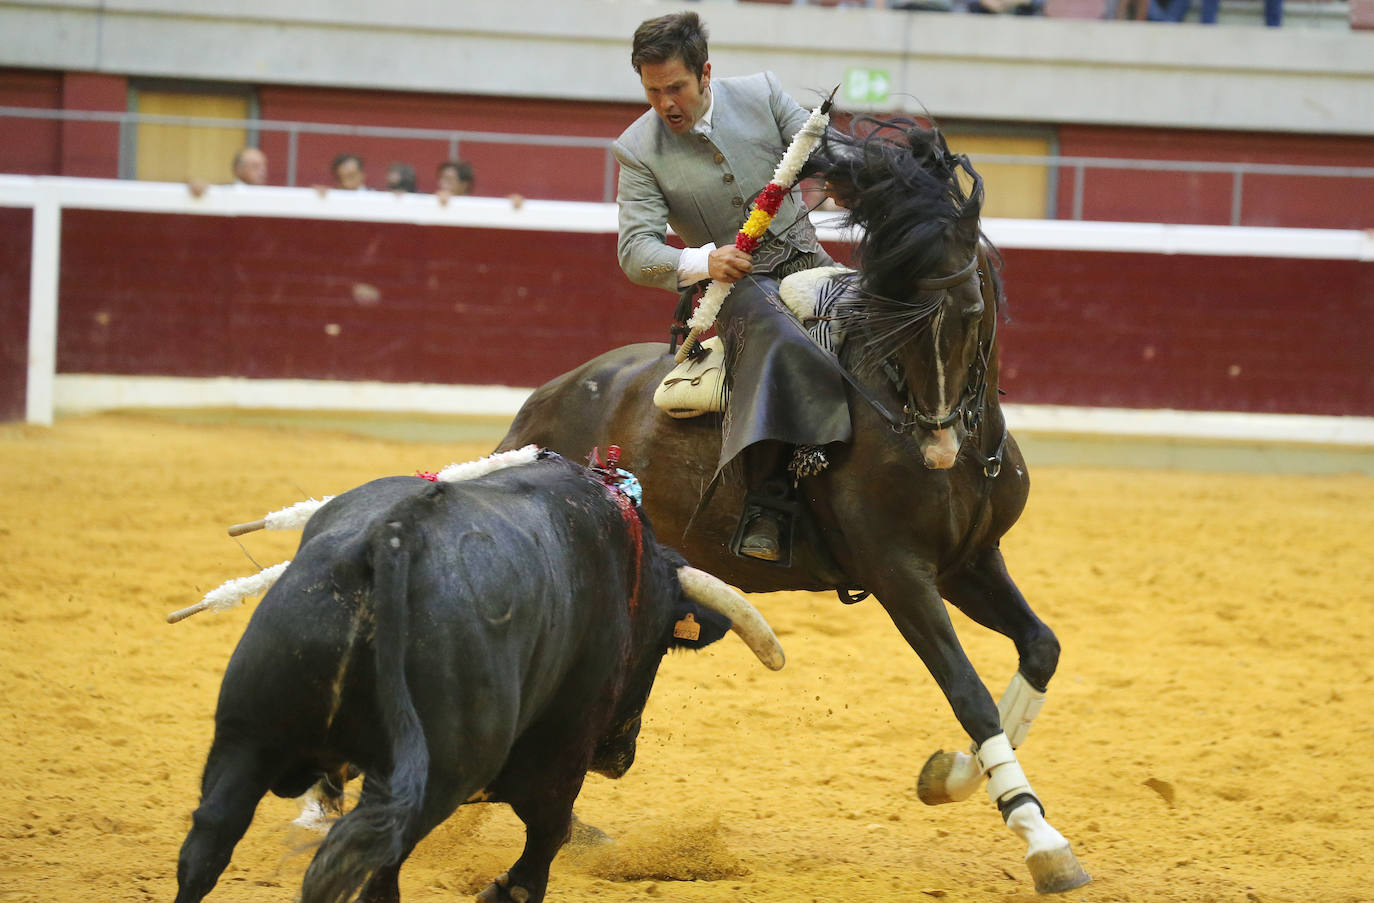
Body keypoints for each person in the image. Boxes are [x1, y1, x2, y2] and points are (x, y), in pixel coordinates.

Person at [614, 11, 850, 562]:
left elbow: (824, 149)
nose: (667, 103)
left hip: (811, 260)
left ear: (705, 75)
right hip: (741, 287)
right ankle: (768, 502)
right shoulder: (637, 149)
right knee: (778, 339)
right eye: (653, 91)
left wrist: (849, 178)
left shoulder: (762, 93)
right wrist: (703, 260)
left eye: (676, 88)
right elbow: (634, 251)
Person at [188, 146, 267, 197]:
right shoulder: (226, 190)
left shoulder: (269, 193)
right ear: (239, 169)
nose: (262, 172)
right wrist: (196, 184)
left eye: (263, 166)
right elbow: (198, 185)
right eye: (255, 166)